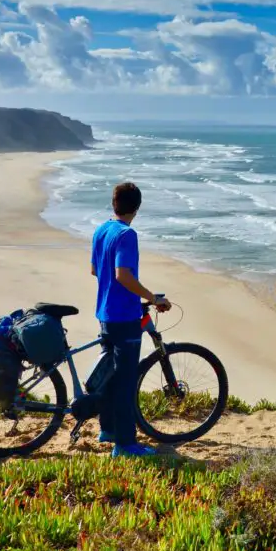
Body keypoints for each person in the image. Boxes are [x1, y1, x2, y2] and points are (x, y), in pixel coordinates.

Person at [90, 181, 172, 457]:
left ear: (114, 204)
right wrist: (152, 296)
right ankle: (124, 444)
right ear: (137, 207)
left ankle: (108, 429)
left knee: (111, 377)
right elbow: (123, 275)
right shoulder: (127, 235)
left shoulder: (101, 230)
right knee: (125, 381)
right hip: (124, 317)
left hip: (104, 313)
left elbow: (95, 270)